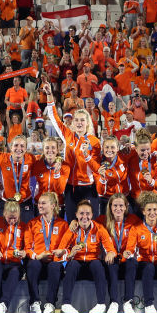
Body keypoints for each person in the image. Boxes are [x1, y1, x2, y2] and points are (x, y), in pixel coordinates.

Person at [43, 82, 101, 216]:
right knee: (71, 223)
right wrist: (50, 94)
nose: (79, 123)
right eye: (77, 120)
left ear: (87, 123)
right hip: (71, 187)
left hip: (88, 188)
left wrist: (87, 155)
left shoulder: (95, 142)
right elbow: (54, 118)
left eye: (82, 120)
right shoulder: (68, 136)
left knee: (90, 224)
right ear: (73, 123)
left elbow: (97, 168)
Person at [58, 200, 115, 313]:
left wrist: (110, 253)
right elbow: (60, 252)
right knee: (72, 265)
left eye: (87, 213)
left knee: (98, 264)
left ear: (92, 215)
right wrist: (70, 254)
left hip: (92, 264)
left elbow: (111, 249)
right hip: (77, 264)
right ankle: (66, 304)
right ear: (76, 215)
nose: (84, 217)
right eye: (81, 213)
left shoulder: (99, 229)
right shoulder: (72, 230)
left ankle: (101, 304)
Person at [124, 191, 157, 313]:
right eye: (149, 210)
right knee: (148, 267)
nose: (152, 213)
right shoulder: (136, 228)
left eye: (155, 210)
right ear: (143, 211)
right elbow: (130, 247)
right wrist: (128, 253)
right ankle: (149, 304)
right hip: (144, 261)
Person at [25, 191, 68, 313]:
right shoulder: (32, 224)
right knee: (33, 264)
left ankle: (50, 303)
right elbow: (27, 248)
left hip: (54, 262)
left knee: (55, 266)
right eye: (39, 203)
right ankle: (34, 302)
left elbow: (68, 247)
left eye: (43, 203)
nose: (40, 206)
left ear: (53, 205)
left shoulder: (63, 224)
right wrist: (37, 256)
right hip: (38, 260)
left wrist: (61, 253)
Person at [0, 199, 28, 313]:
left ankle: (3, 304)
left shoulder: (24, 227)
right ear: (4, 213)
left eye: (15, 218)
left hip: (14, 263)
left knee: (15, 272)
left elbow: (29, 247)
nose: (12, 220)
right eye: (9, 217)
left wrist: (24, 253)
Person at [104, 192, 140, 313]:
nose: (118, 209)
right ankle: (114, 302)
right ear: (110, 207)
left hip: (127, 257)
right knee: (111, 263)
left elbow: (147, 226)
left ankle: (128, 302)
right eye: (115, 206)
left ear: (126, 207)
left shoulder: (134, 220)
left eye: (121, 206)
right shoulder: (103, 221)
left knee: (132, 262)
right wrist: (74, 222)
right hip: (113, 257)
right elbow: (88, 222)